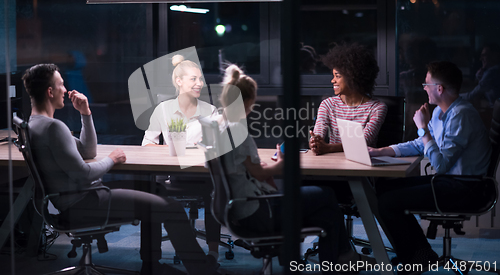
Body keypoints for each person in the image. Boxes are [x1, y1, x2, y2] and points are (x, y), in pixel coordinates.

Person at [22, 64, 221, 275]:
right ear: (50, 92)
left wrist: (86, 114)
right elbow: (84, 173)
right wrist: (112, 160)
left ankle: (151, 264)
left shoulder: (36, 125)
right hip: (85, 203)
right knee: (172, 208)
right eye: (61, 85)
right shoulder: (54, 128)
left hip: (81, 199)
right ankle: (203, 271)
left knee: (155, 190)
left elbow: (88, 152)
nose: (66, 89)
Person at [217, 64, 355, 274]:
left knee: (328, 217)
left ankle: (339, 260)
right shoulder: (239, 131)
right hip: (257, 210)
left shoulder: (220, 127)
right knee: (327, 194)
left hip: (239, 208)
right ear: (248, 101)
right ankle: (343, 256)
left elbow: (246, 168)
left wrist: (265, 165)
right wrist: (283, 163)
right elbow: (260, 174)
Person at [368, 61, 492, 269]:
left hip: (466, 187)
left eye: (427, 84)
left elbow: (440, 165)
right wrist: (380, 151)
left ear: (439, 89)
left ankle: (417, 257)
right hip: (450, 181)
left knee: (388, 202)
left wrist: (423, 129)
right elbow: (419, 144)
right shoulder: (440, 112)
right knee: (383, 188)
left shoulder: (461, 115)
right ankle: (417, 254)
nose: (424, 88)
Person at [141, 54, 222, 260]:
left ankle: (212, 253)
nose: (199, 83)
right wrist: (168, 150)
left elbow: (216, 148)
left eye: (201, 79)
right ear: (179, 81)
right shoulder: (163, 109)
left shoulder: (210, 111)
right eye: (193, 79)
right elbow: (147, 143)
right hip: (170, 175)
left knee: (215, 192)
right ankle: (152, 258)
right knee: (151, 195)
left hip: (201, 176)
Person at [309, 42, 387, 155]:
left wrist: (328, 148)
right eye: (333, 76)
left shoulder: (377, 108)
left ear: (353, 77)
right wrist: (315, 142)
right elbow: (318, 132)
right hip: (334, 163)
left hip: (363, 164)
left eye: (338, 76)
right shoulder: (328, 104)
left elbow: (364, 142)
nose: (333, 80)